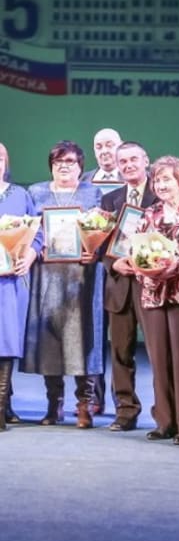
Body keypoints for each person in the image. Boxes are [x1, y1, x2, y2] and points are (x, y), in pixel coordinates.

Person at [21, 141, 104, 428]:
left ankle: (84, 406)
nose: (64, 166)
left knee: (84, 339)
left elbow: (101, 231)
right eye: (58, 162)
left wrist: (94, 251)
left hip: (82, 278)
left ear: (80, 166)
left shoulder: (93, 193)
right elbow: (29, 231)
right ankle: (53, 405)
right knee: (50, 340)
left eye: (70, 161)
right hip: (47, 276)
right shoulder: (36, 192)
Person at [129, 156, 179, 446]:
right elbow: (135, 249)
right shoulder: (149, 213)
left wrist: (176, 264)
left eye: (167, 179)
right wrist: (141, 265)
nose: (161, 185)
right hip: (153, 293)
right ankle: (164, 421)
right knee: (159, 360)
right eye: (157, 180)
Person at [101, 141, 157, 431]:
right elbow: (100, 243)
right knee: (121, 352)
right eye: (123, 161)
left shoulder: (160, 194)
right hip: (120, 285)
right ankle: (125, 411)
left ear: (146, 160)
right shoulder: (110, 200)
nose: (129, 165)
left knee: (159, 352)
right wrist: (114, 264)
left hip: (152, 286)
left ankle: (165, 413)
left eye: (134, 159)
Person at [81, 127, 124, 415]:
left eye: (110, 145)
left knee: (121, 338)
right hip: (93, 268)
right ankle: (94, 397)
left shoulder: (135, 178)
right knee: (94, 335)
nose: (105, 151)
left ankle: (123, 399)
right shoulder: (84, 181)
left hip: (123, 267)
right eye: (99, 146)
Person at [0, 143, 40, 430]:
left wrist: (30, 256)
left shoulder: (20, 195)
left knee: (6, 341)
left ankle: (1, 407)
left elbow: (37, 234)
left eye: (0, 158)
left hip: (9, 282)